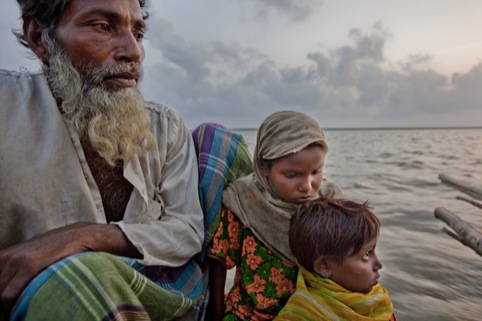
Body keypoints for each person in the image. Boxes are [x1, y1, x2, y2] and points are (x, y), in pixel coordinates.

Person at [0, 0, 252, 320]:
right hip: (43, 305)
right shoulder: (6, 107)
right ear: (39, 37)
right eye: (103, 27)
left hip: (161, 296)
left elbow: (187, 231)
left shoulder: (165, 127)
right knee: (79, 280)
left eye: (138, 32)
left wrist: (86, 236)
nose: (133, 52)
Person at [206, 111, 343, 321]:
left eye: (316, 171)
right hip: (248, 315)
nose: (307, 187)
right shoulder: (243, 200)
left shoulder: (330, 203)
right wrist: (215, 315)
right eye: (292, 175)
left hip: (309, 314)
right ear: (263, 167)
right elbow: (219, 259)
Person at [274, 198, 397, 321]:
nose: (379, 264)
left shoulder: (376, 299)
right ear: (324, 266)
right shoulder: (298, 316)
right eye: (366, 255)